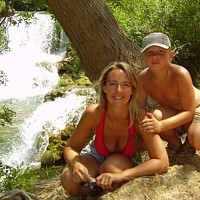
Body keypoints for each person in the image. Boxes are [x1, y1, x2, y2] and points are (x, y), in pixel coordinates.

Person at [61, 61, 169, 198]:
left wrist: (121, 175)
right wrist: (76, 165)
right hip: (96, 155)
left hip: (125, 160)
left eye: (125, 85)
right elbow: (71, 147)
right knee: (69, 179)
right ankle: (96, 187)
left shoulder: (139, 117)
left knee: (111, 168)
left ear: (132, 90)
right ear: (104, 87)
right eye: (112, 84)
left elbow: (162, 162)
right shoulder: (93, 114)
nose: (119, 90)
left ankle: (100, 184)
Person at [137, 32, 200, 158]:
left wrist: (161, 126)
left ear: (171, 54)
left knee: (197, 139)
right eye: (149, 53)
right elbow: (139, 106)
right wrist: (146, 122)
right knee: (152, 117)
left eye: (161, 52)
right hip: (174, 112)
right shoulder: (143, 78)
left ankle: (190, 142)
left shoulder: (180, 74)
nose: (155, 56)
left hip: (195, 110)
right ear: (143, 57)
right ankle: (175, 144)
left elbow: (189, 112)